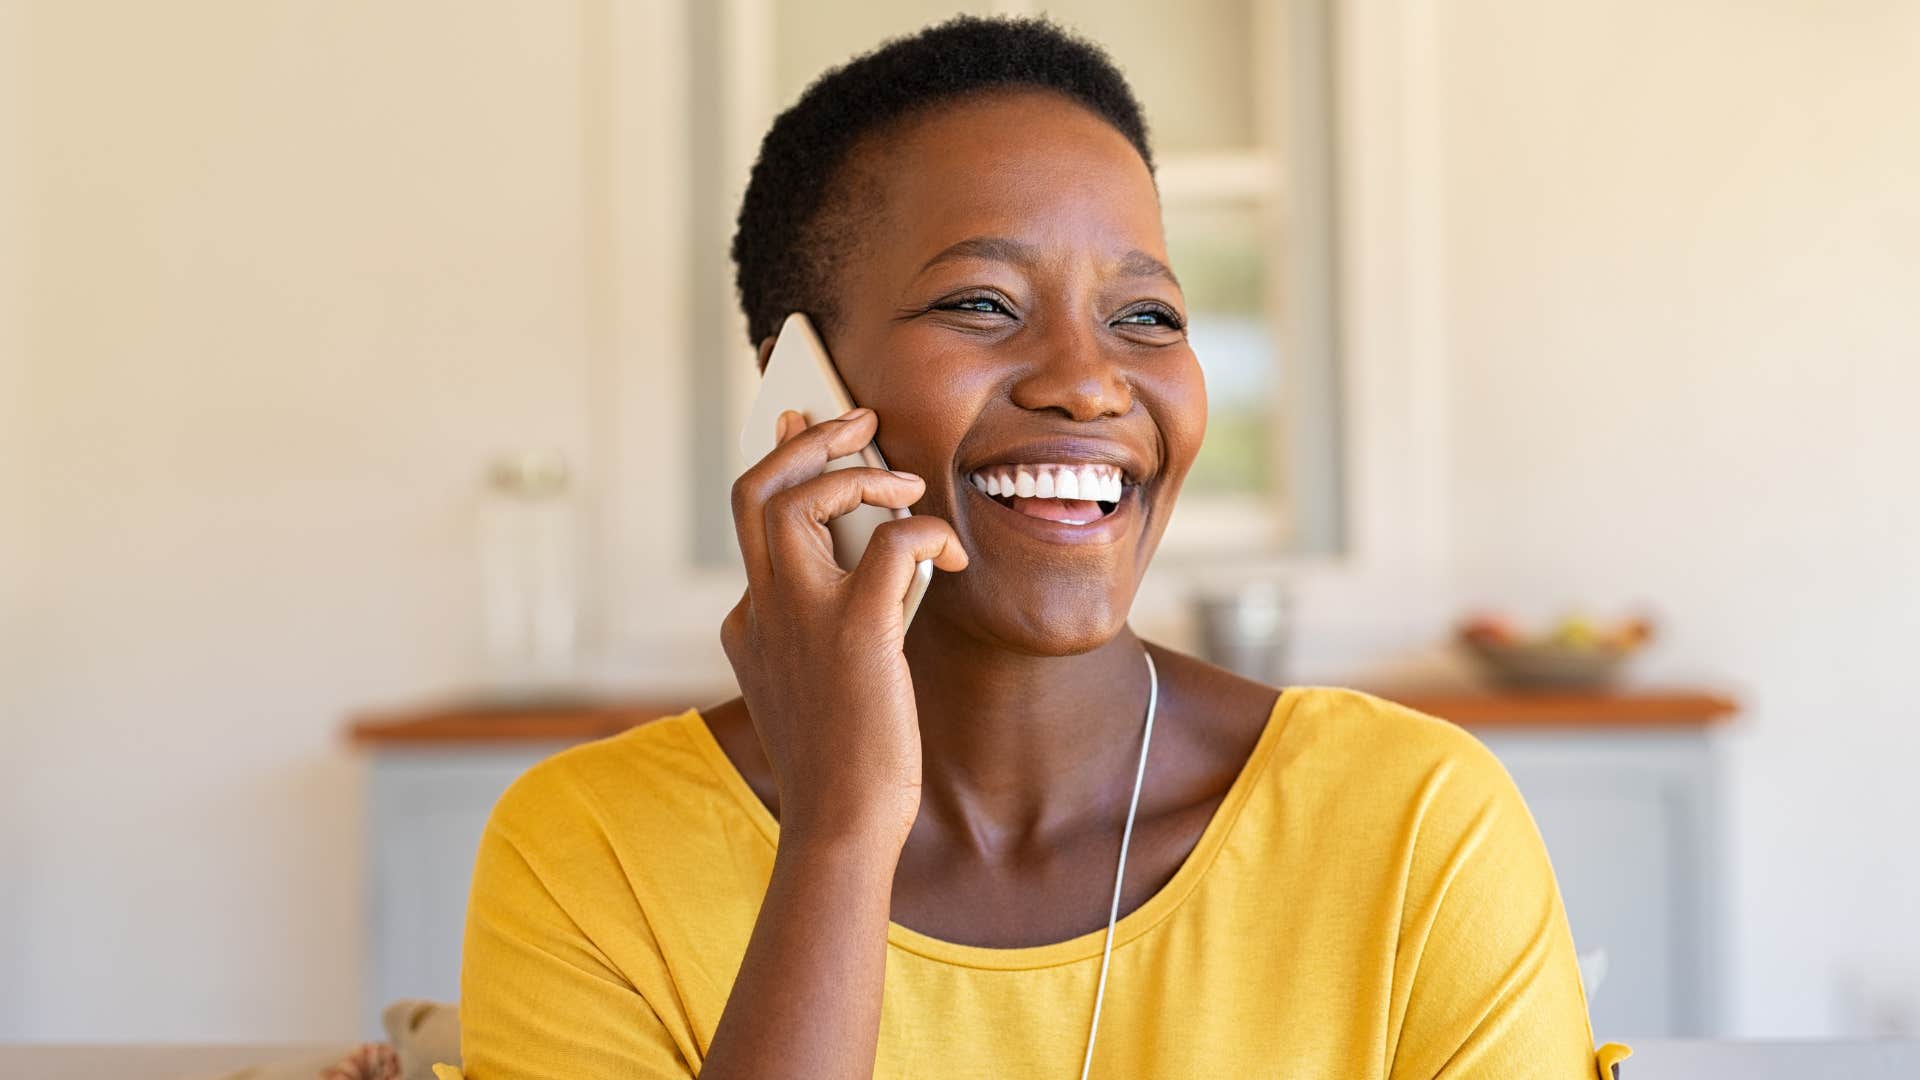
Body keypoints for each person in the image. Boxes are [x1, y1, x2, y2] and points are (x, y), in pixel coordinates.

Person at [448, 16, 1628, 1079]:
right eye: (980, 303)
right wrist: (841, 834)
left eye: (1146, 317)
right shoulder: (588, 853)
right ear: (800, 396)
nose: (1087, 381)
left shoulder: (1412, 822)